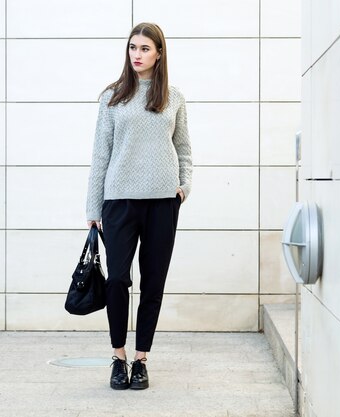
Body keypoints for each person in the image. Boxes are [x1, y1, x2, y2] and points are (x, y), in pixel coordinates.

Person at [86, 22, 193, 390]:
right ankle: (117, 357)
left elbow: (184, 150)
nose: (137, 54)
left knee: (153, 282)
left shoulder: (173, 97)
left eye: (145, 48)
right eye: (133, 47)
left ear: (159, 53)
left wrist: (184, 187)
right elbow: (101, 154)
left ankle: (141, 359)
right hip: (118, 202)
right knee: (117, 279)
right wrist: (93, 207)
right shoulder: (112, 97)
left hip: (163, 202)